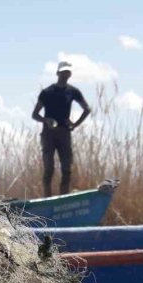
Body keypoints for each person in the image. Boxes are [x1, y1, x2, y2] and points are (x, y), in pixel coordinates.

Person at [31, 61, 91, 197]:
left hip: (64, 133)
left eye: (67, 72)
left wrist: (75, 124)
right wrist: (46, 120)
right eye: (63, 72)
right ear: (58, 73)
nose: (65, 74)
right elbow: (34, 114)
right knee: (49, 168)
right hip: (48, 134)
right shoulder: (47, 92)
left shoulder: (73, 91)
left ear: (70, 73)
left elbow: (87, 109)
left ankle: (63, 198)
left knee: (66, 168)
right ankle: (47, 198)